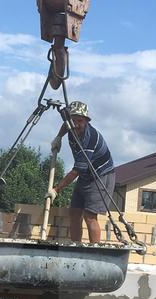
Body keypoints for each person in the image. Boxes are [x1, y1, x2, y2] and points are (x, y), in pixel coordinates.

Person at [49, 100, 115, 244]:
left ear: (86, 121)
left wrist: (56, 190)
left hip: (100, 176)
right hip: (86, 175)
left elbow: (76, 171)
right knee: (74, 212)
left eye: (80, 121)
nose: (76, 124)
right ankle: (76, 246)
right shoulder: (71, 127)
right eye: (73, 121)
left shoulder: (89, 139)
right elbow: (66, 125)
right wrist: (59, 137)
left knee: (90, 215)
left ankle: (94, 251)